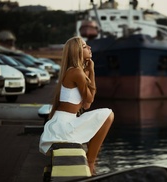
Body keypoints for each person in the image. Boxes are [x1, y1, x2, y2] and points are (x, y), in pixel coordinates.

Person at [39, 36, 114, 175]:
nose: (89, 48)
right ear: (77, 51)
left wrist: (89, 72)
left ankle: (91, 161)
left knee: (105, 115)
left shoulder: (77, 71)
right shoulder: (76, 72)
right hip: (64, 125)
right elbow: (90, 97)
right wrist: (92, 71)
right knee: (108, 114)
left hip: (67, 121)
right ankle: (91, 162)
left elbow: (87, 105)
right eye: (85, 46)